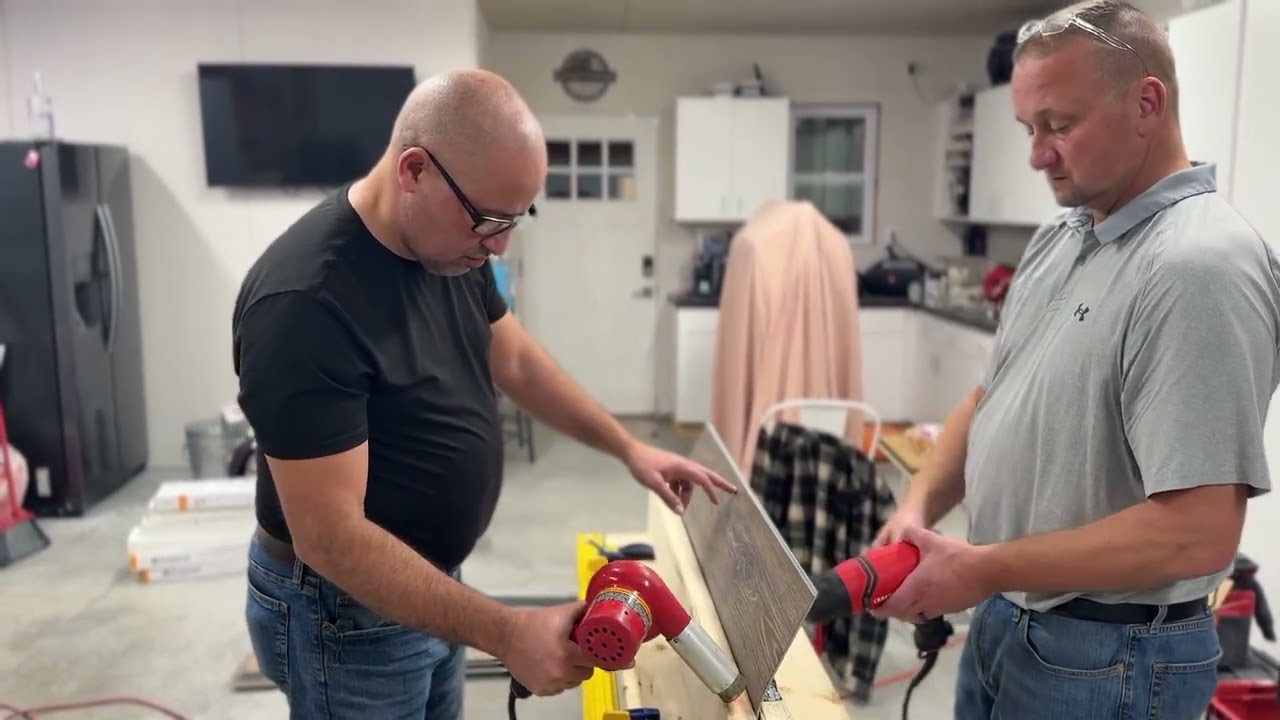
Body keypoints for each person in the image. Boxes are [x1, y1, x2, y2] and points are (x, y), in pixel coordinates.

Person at [230, 68, 737, 719]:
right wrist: (505, 631)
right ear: (414, 170)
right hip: (344, 613)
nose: (499, 244)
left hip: (427, 583)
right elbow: (330, 539)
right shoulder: (304, 303)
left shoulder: (449, 247)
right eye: (490, 220)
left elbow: (517, 361)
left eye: (517, 217)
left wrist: (628, 447)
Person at [870, 2, 1278, 718]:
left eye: (1060, 126)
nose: (1036, 155)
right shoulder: (1063, 238)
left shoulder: (1196, 267)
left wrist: (982, 567)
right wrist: (916, 508)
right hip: (1012, 621)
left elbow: (1197, 531)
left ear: (1146, 104)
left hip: (1110, 658)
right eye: (1030, 129)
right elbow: (989, 394)